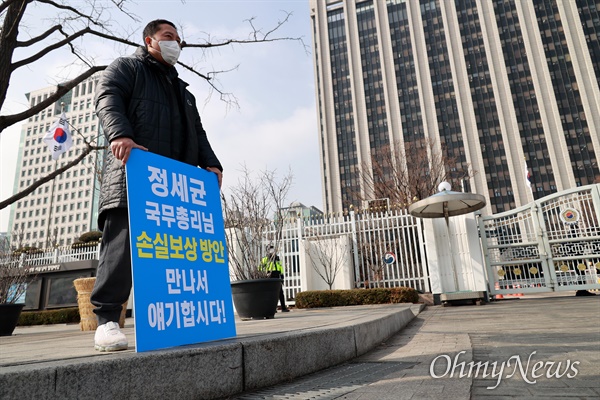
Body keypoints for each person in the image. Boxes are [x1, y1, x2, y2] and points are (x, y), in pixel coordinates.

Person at [91, 19, 223, 352]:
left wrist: (212, 163)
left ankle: (182, 322)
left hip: (174, 190)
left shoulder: (184, 92)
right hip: (132, 175)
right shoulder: (128, 68)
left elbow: (198, 133)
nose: (175, 43)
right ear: (150, 40)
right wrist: (120, 133)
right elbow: (107, 96)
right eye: (168, 37)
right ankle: (107, 322)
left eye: (179, 39)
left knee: (174, 255)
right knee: (120, 252)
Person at [260, 245, 289, 312]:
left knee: (280, 292)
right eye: (270, 249)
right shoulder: (265, 259)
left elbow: (280, 267)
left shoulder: (277, 258)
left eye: (272, 249)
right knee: (271, 293)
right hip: (269, 276)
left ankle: (283, 308)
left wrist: (281, 275)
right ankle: (272, 308)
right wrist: (266, 272)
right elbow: (260, 268)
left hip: (277, 275)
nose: (272, 251)